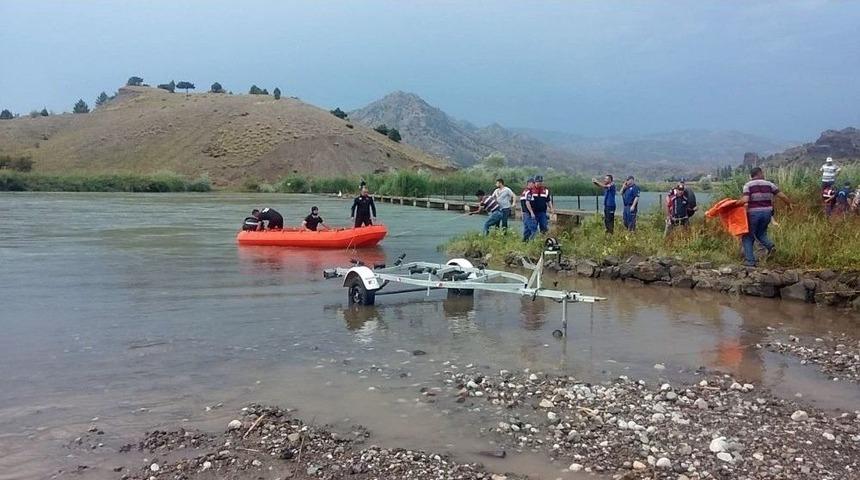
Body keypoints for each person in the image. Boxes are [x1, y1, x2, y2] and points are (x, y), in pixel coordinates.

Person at [737, 167, 792, 267]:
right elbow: (782, 196)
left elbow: (745, 199)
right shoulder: (770, 184)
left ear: (751, 176)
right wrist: (789, 204)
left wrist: (735, 204)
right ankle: (770, 247)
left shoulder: (748, 185)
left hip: (753, 214)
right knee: (761, 233)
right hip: (767, 213)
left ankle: (750, 262)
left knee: (748, 237)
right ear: (760, 173)